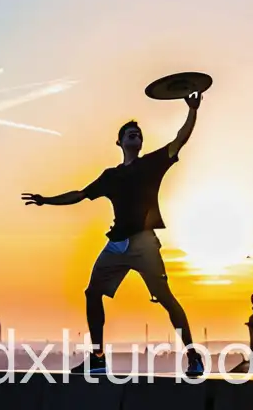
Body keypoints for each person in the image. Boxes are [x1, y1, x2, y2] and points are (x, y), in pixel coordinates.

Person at [22, 92, 205, 377]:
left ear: (140, 142)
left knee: (166, 298)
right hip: (116, 244)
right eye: (129, 133)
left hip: (144, 243)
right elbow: (80, 195)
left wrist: (192, 110)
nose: (135, 134)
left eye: (138, 133)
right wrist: (46, 200)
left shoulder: (152, 164)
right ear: (120, 142)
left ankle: (193, 356)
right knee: (92, 293)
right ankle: (97, 357)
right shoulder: (110, 176)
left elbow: (181, 138)